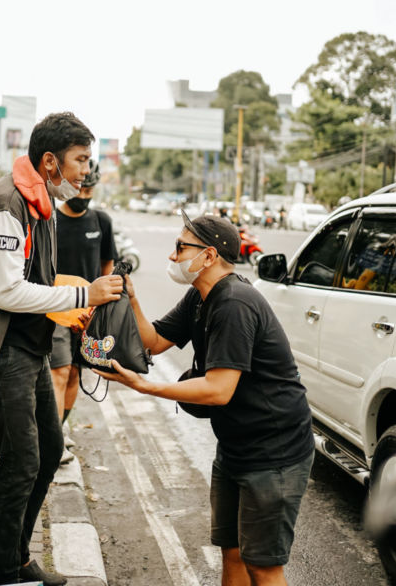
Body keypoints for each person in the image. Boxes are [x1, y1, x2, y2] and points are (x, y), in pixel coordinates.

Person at [95, 211, 314, 586]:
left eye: (180, 247)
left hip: (273, 452)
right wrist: (131, 299)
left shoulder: (235, 302)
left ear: (209, 256)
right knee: (231, 551)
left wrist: (146, 387)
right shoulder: (200, 297)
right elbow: (154, 342)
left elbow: (218, 389)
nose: (172, 256)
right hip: (236, 446)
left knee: (262, 564)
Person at [0, 112, 123, 586]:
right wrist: (81, 295)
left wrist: (73, 297)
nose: (85, 172)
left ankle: (18, 557)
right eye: (79, 161)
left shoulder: (40, 200)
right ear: (50, 161)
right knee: (21, 462)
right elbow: (8, 293)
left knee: (49, 452)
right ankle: (4, 572)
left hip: (29, 347)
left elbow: (37, 281)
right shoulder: (6, 206)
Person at [48, 160, 117, 463]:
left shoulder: (101, 221)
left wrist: (105, 309)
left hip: (88, 315)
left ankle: (59, 430)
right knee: (59, 371)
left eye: (90, 189)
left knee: (75, 373)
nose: (84, 194)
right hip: (54, 310)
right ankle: (52, 440)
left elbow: (107, 267)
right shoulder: (50, 220)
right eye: (81, 187)